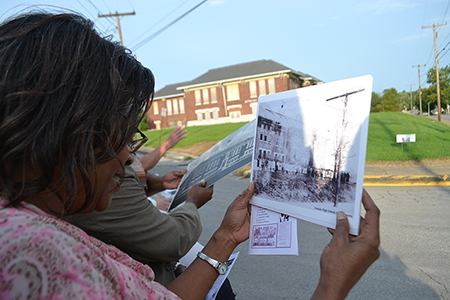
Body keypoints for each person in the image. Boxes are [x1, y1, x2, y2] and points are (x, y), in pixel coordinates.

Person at [0, 11, 380, 300]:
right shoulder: (37, 252)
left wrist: (227, 237)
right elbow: (168, 241)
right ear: (59, 136)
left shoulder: (29, 222)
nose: (127, 161)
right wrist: (333, 283)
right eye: (119, 140)